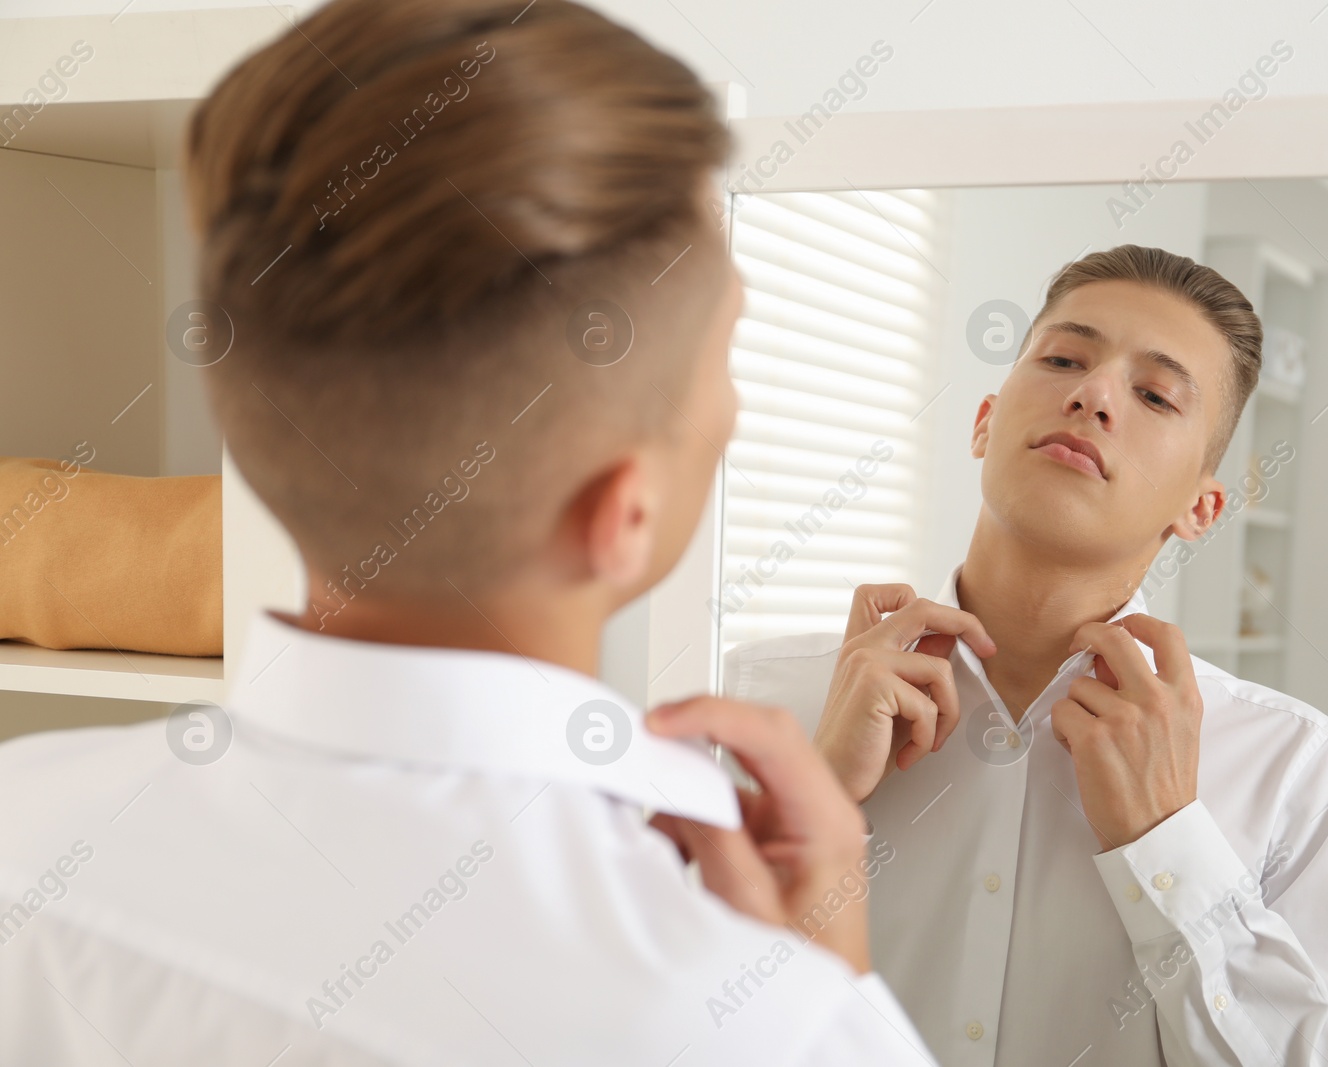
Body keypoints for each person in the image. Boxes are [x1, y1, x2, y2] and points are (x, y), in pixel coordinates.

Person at [0, 1, 935, 1063]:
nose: (732, 405)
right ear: (621, 514)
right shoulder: (760, 1021)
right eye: (724, 349)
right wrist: (822, 1001)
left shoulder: (22, 840)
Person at [725, 245, 1328, 1067]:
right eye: (1062, 359)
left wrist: (1167, 842)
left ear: (1201, 506)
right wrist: (816, 799)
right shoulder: (762, 697)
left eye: (1154, 394)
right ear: (984, 422)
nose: (1091, 394)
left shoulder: (1294, 765)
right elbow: (655, 1022)